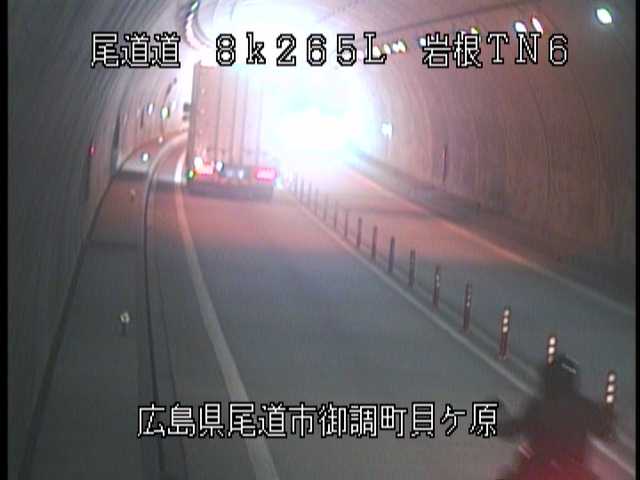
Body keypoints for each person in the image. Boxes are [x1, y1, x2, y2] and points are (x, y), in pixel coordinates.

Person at [497, 353, 615, 479]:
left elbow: (516, 428)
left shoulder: (539, 406)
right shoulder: (584, 406)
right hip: (569, 469)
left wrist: (499, 426)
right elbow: (605, 432)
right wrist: (607, 419)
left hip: (541, 467)